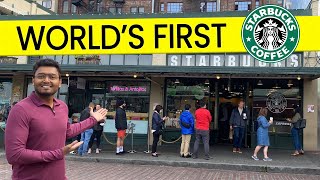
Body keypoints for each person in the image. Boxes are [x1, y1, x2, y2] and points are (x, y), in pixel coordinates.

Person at [5, 59, 108, 180]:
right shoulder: (21, 110)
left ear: (59, 82)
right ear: (33, 80)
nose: (46, 80)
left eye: (52, 77)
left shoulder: (62, 107)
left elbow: (67, 131)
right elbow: (14, 155)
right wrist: (59, 153)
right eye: (41, 76)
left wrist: (92, 120)